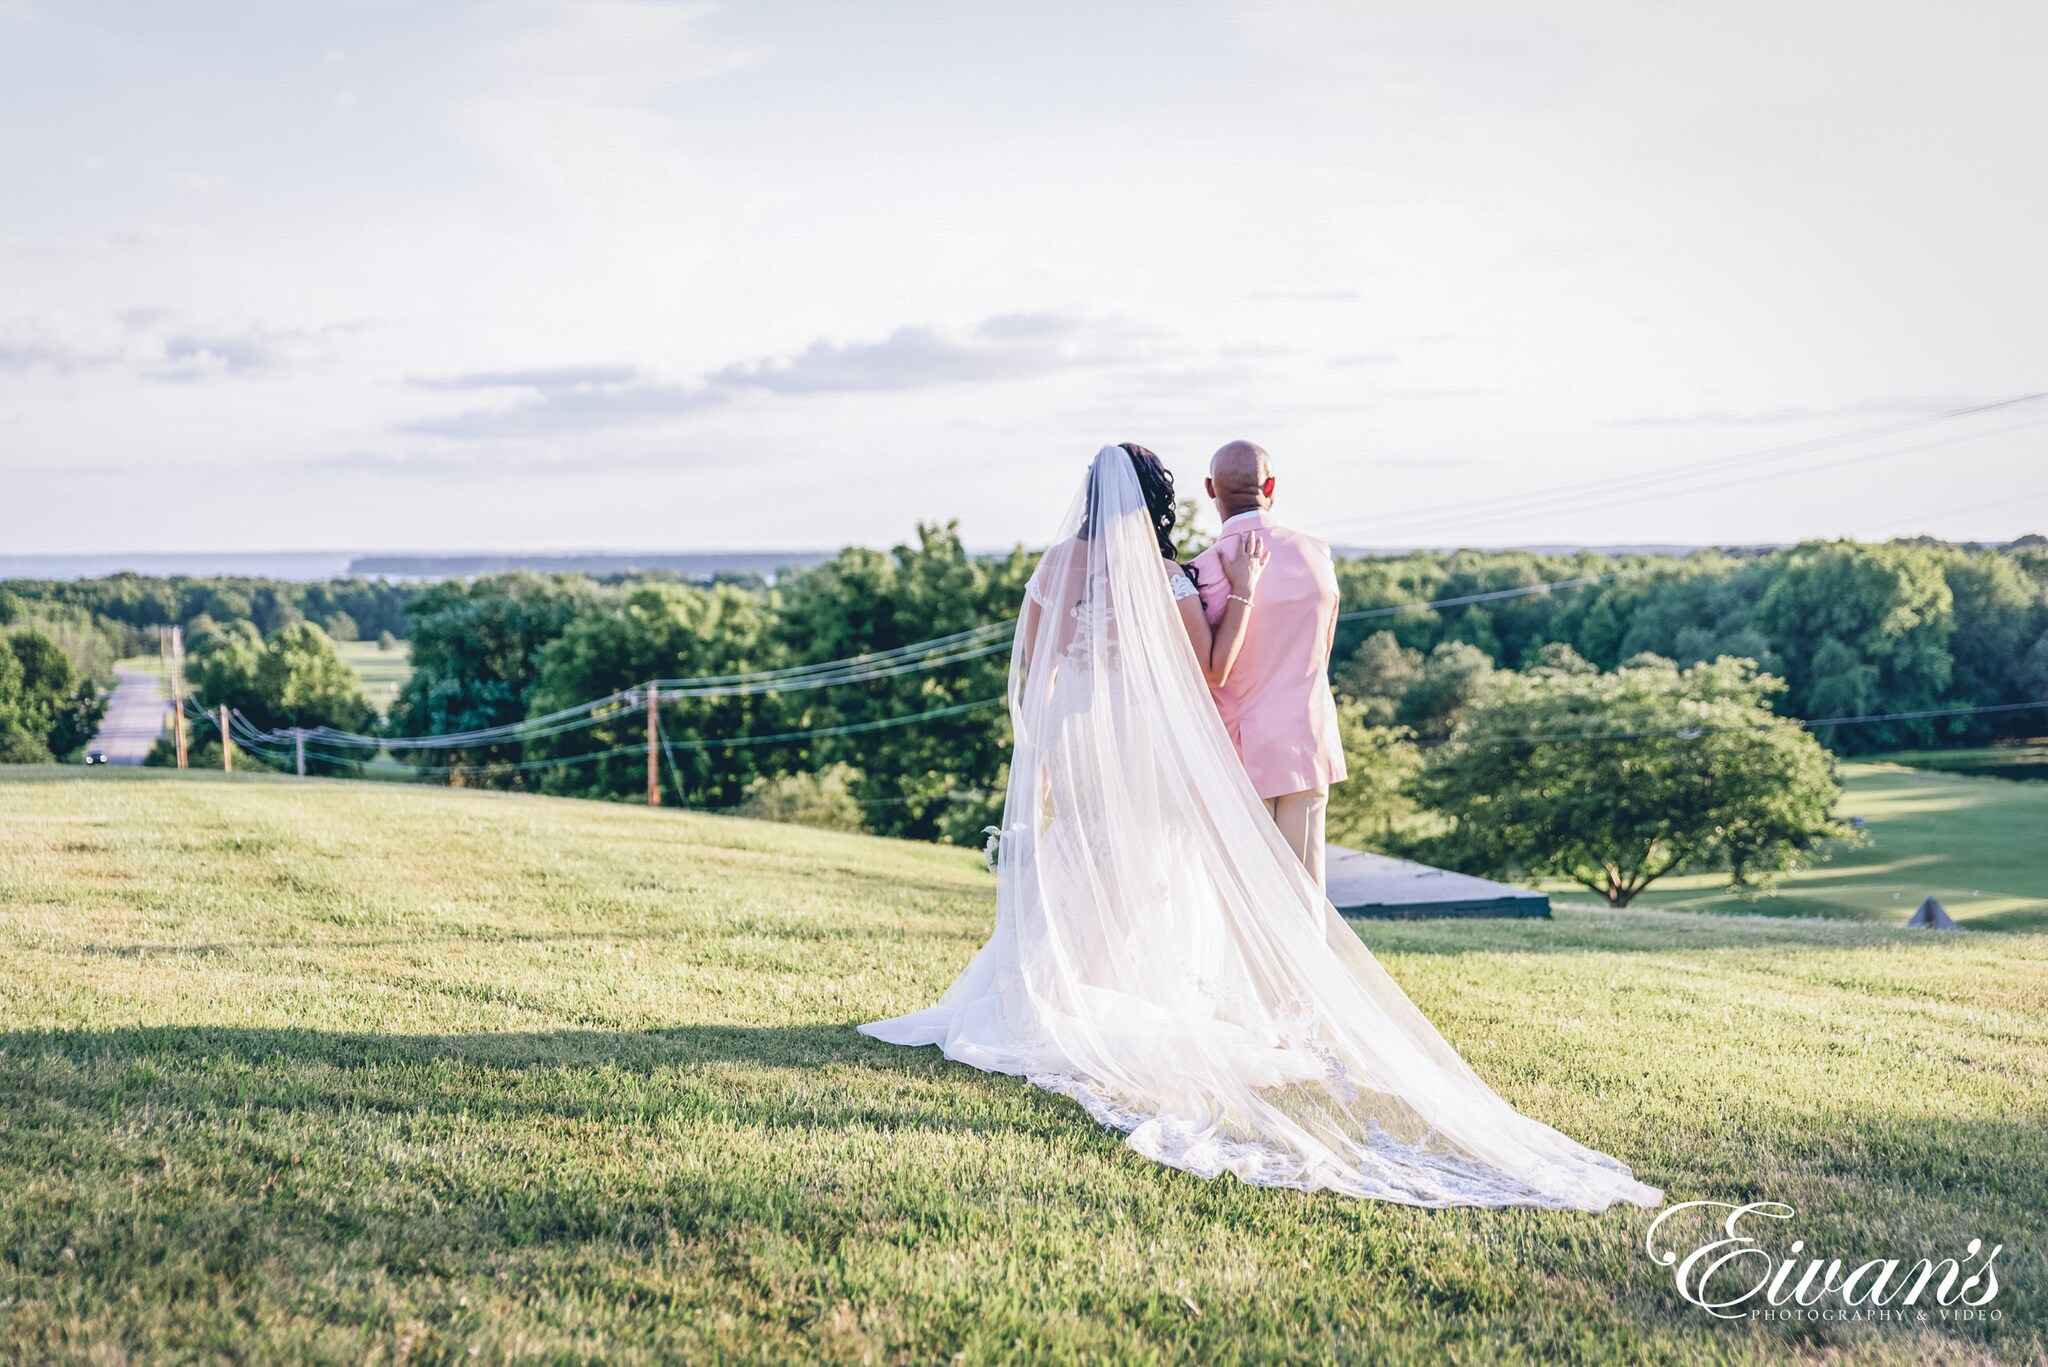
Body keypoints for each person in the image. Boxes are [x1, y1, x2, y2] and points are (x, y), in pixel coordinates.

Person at [860, 444, 1661, 1209]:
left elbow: (1039, 668)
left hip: (1071, 730)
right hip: (1139, 736)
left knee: (1079, 850)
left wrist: (1039, 752)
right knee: (1144, 860)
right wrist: (1239, 588)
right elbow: (1208, 667)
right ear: (1162, 501)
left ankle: (1056, 985)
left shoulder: (1050, 568)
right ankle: (1117, 990)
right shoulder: (1165, 575)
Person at [1181, 440, 1346, 890]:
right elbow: (1322, 652)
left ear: (1211, 490)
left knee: (1245, 903)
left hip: (1236, 753)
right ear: (1270, 485)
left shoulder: (1196, 575)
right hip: (1307, 743)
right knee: (1306, 893)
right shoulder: (1318, 556)